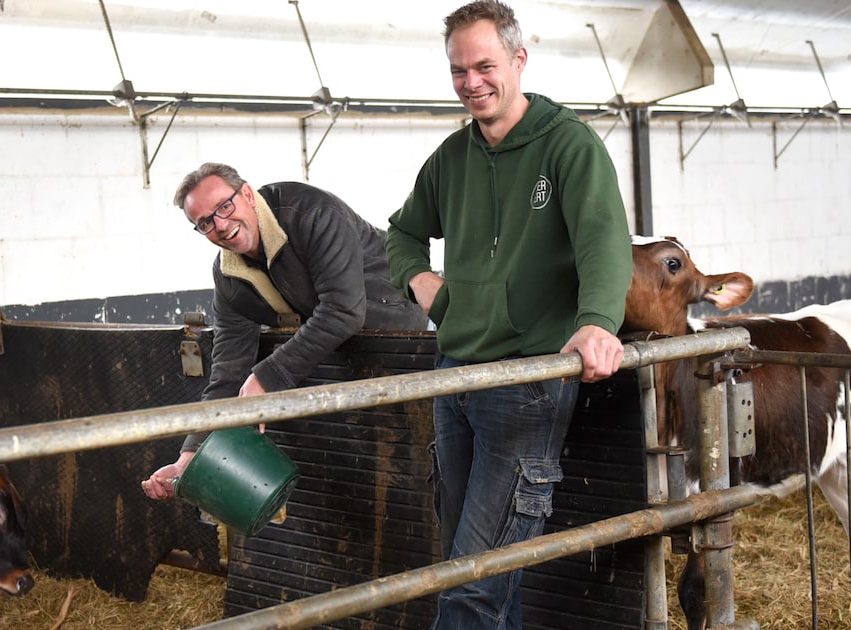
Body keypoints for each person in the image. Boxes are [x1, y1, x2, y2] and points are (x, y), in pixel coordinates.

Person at [384, 2, 633, 628]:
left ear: (519, 61)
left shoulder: (569, 146)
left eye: (485, 65)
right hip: (455, 378)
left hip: (526, 385)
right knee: (474, 572)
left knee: (472, 583)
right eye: (458, 70)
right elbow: (402, 233)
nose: (472, 82)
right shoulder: (450, 158)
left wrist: (598, 320)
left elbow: (603, 243)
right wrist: (429, 290)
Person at [141, 162, 429, 500]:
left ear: (247, 193)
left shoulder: (310, 213)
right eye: (205, 222)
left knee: (409, 466)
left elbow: (344, 310)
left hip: (401, 338)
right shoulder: (229, 277)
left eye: (224, 206)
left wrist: (267, 377)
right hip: (335, 353)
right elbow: (229, 371)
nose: (220, 225)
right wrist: (190, 455)